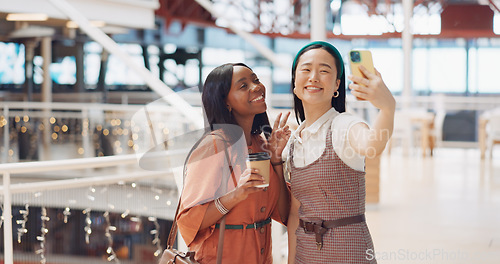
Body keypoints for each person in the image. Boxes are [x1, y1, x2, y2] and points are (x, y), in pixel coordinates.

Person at [284, 41, 395, 263]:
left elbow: (372, 146)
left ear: (337, 85)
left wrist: (387, 108)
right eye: (306, 69)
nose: (314, 76)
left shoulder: (344, 125)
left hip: (348, 252)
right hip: (306, 253)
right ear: (295, 83)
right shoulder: (293, 143)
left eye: (324, 70)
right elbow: (295, 212)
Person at [176, 63, 291, 263]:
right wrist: (236, 195)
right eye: (243, 86)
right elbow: (187, 221)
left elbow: (284, 213)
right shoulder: (214, 146)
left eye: (255, 80)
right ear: (225, 102)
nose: (256, 87)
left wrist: (276, 160)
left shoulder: (259, 143)